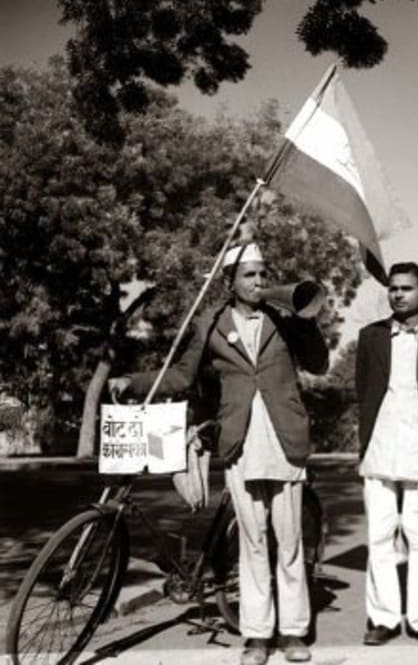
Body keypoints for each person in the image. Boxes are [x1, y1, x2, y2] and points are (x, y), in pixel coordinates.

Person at [109, 242, 328, 665]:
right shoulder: (211, 322)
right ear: (229, 282)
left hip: (285, 440)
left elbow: (318, 364)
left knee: (288, 542)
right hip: (240, 443)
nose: (259, 282)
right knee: (252, 542)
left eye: (263, 274)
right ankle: (257, 636)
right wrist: (132, 382)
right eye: (249, 275)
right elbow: (182, 375)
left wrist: (306, 321)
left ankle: (293, 632)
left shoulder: (284, 318)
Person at [355, 261, 418, 646]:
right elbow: (363, 389)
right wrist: (366, 439)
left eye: (407, 288)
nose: (398, 294)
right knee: (380, 535)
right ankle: (383, 618)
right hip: (380, 448)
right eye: (393, 288)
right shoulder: (370, 337)